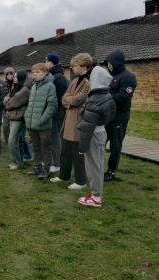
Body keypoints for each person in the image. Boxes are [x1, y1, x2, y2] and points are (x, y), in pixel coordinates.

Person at [76, 66, 116, 207]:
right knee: (97, 165)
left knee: (93, 166)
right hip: (101, 132)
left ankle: (95, 197)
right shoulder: (107, 96)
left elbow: (87, 126)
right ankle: (95, 193)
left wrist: (82, 147)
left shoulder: (95, 99)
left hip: (93, 134)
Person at [50, 53, 92, 189]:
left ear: (83, 65)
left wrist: (69, 100)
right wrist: (70, 101)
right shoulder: (74, 80)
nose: (72, 68)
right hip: (68, 120)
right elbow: (64, 98)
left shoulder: (88, 82)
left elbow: (79, 99)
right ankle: (64, 176)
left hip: (78, 120)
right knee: (65, 150)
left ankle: (81, 181)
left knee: (77, 153)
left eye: (74, 66)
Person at [104, 50, 137, 181]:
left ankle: (111, 171)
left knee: (115, 145)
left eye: (110, 63)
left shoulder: (128, 77)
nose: (108, 66)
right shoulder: (111, 76)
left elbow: (123, 96)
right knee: (100, 142)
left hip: (119, 118)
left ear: (116, 63)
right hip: (107, 116)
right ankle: (96, 167)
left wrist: (104, 98)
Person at [25, 63, 57, 180]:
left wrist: (42, 119)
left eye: (38, 72)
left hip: (44, 125)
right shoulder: (33, 86)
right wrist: (27, 117)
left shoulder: (50, 86)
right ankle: (38, 168)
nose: (35, 74)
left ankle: (46, 170)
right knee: (36, 147)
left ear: (45, 73)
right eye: (33, 72)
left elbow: (52, 106)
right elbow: (31, 105)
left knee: (46, 148)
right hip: (32, 124)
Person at [45, 53, 69, 173]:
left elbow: (60, 96)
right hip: (54, 111)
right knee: (53, 137)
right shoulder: (53, 75)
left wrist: (53, 108)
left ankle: (57, 163)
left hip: (57, 112)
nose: (45, 63)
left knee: (56, 138)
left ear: (51, 62)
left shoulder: (58, 77)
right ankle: (55, 161)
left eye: (46, 61)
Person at [3, 71, 30, 170]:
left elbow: (11, 103)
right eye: (14, 77)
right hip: (13, 116)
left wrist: (8, 102)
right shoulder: (16, 87)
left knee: (12, 140)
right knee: (18, 140)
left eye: (16, 77)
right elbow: (6, 99)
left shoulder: (24, 90)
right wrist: (8, 101)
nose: (14, 78)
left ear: (21, 77)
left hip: (19, 117)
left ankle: (16, 162)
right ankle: (19, 161)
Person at [2, 66, 15, 144]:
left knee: (14, 127)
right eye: (7, 74)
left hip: (15, 108)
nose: (9, 75)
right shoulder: (4, 84)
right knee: (5, 126)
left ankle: (13, 140)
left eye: (11, 73)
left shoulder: (16, 83)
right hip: (6, 109)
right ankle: (7, 140)